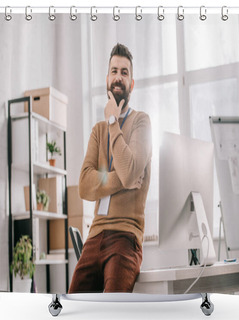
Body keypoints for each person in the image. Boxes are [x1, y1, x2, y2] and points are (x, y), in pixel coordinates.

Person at [68, 43, 152, 293]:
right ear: (107, 79)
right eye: (114, 71)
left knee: (110, 310)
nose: (118, 77)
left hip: (125, 237)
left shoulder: (141, 123)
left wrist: (113, 120)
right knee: (72, 308)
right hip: (94, 238)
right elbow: (84, 186)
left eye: (124, 72)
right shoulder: (97, 130)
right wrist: (122, 179)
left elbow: (129, 171)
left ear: (132, 83)